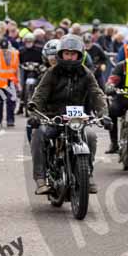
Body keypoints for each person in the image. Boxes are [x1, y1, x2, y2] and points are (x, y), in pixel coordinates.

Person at [28, 34, 111, 195]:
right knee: (38, 135)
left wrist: (104, 114)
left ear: (79, 55)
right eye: (67, 53)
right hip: (53, 118)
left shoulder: (86, 73)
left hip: (77, 119)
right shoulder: (52, 72)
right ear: (60, 54)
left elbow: (97, 94)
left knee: (91, 136)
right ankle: (40, 179)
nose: (70, 57)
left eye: (73, 54)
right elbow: (40, 95)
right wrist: (35, 113)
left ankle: (88, 174)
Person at [0, 39, 20, 127]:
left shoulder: (14, 54)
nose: (5, 51)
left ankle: (10, 120)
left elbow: (17, 68)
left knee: (11, 101)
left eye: (6, 49)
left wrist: (18, 82)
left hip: (10, 81)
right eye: (3, 49)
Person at [18, 33, 43, 113]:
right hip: (25, 71)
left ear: (33, 42)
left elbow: (43, 60)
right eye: (27, 42)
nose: (29, 43)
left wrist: (40, 66)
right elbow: (18, 61)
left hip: (36, 71)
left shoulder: (39, 51)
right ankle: (21, 105)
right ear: (24, 42)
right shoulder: (21, 51)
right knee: (22, 87)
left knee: (40, 86)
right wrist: (21, 65)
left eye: (30, 41)